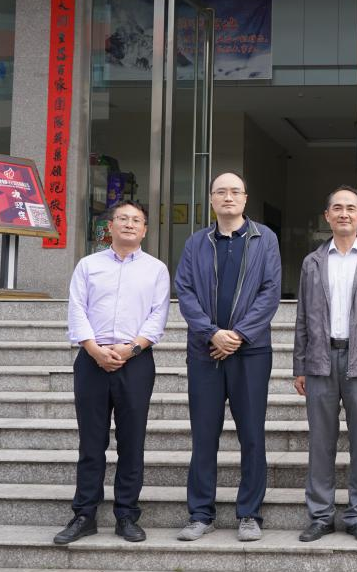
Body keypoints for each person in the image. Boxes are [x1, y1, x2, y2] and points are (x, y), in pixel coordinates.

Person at [174, 172, 282, 543]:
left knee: (252, 434)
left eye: (235, 191)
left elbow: (270, 292)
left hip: (251, 352)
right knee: (204, 435)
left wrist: (237, 335)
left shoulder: (265, 239)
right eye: (221, 191)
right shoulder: (196, 243)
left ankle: (249, 513)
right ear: (211, 199)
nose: (228, 197)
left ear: (245, 198)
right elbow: (185, 291)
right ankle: (200, 513)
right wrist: (212, 333)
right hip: (205, 352)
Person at [57, 200, 170, 545]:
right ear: (110, 226)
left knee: (132, 442)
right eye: (123, 218)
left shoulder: (156, 269)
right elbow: (76, 309)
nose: (129, 224)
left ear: (145, 230)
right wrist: (94, 350)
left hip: (136, 361)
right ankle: (84, 514)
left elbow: (158, 316)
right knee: (91, 442)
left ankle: (127, 515)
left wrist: (131, 349)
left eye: (136, 220)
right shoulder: (88, 265)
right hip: (91, 360)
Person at [293, 185, 357, 544]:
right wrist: (299, 366)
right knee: (321, 441)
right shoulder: (313, 262)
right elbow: (302, 316)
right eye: (337, 208)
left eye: (351, 208)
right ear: (327, 216)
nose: (344, 213)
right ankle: (320, 515)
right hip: (321, 359)